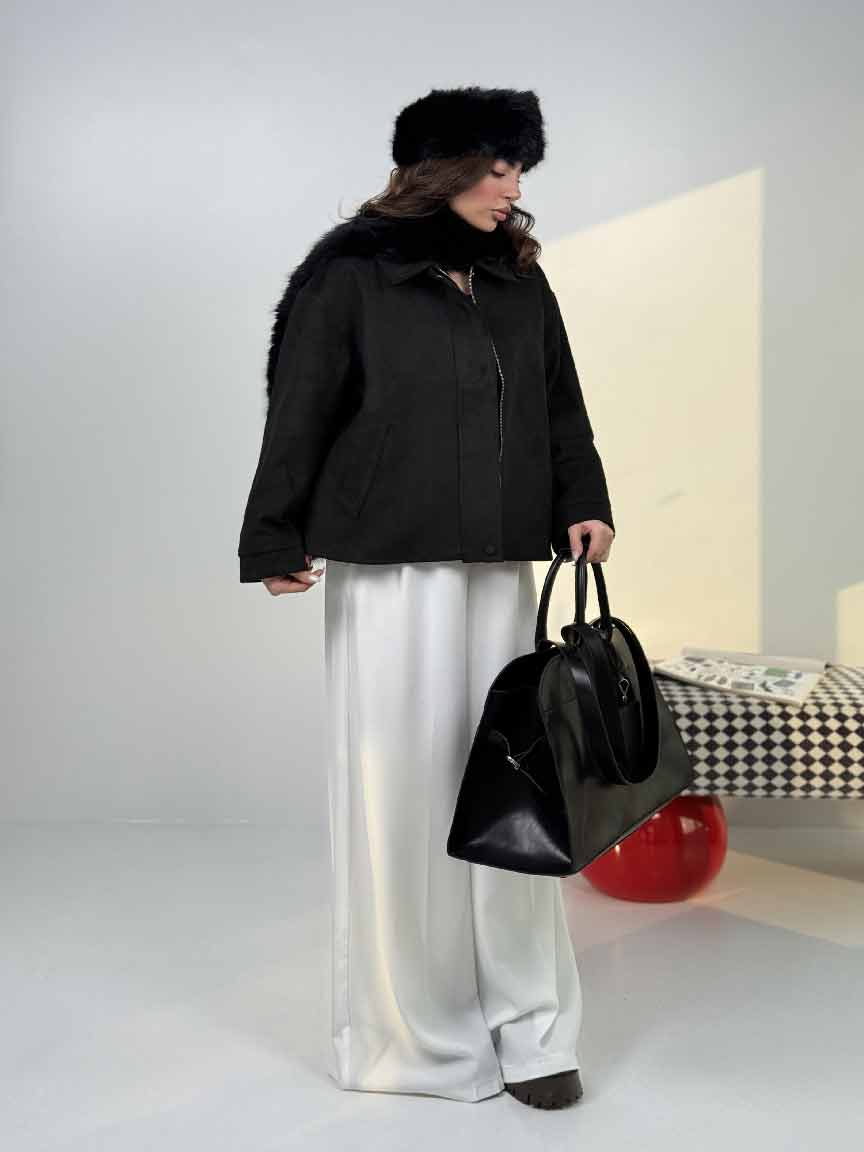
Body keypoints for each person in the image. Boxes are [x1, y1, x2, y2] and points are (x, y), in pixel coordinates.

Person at [237, 86, 615, 1109]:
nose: (513, 187)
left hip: (498, 567)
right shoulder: (349, 276)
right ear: (441, 169)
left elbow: (561, 401)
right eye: (497, 167)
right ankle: (413, 1031)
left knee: (513, 789)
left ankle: (531, 1026)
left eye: (519, 167)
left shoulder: (519, 278)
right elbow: (299, 407)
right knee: (401, 794)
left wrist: (583, 500)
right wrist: (274, 532)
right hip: (389, 571)